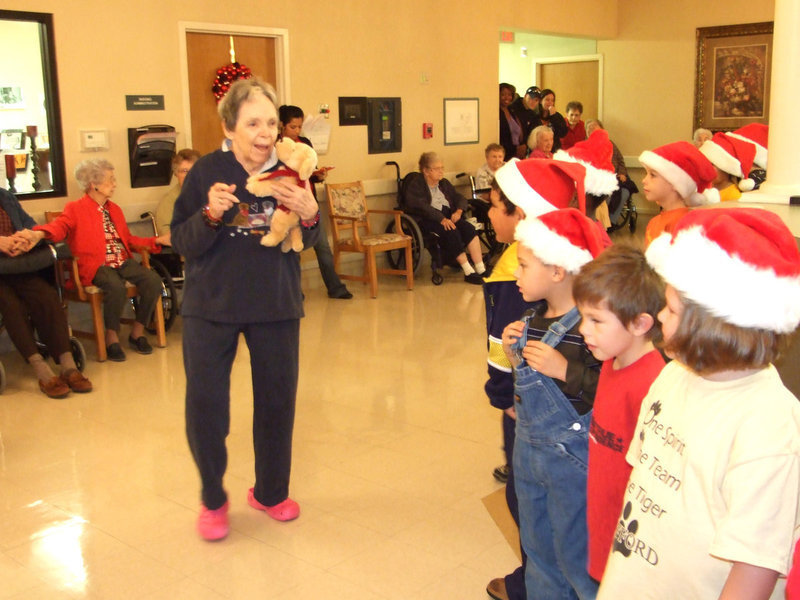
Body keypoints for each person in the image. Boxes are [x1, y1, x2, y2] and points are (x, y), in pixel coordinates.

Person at [598, 207, 800, 599]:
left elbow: (754, 570)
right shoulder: (674, 375)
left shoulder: (771, 429)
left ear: (712, 326)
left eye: (671, 309)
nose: (658, 314)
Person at [170, 78, 320, 541]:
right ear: (230, 126)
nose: (265, 132)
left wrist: (311, 212)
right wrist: (210, 214)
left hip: (275, 304)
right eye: (253, 122)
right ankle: (213, 499)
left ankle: (271, 492)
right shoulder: (205, 171)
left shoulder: (293, 167)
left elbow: (308, 239)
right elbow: (183, 242)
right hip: (209, 307)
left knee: (277, 403)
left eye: (271, 122)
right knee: (207, 407)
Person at [484, 158, 586, 600]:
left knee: (538, 511)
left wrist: (502, 392)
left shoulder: (517, 270)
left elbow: (499, 345)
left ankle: (534, 582)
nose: (489, 215)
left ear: (521, 214)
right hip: (531, 416)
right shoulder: (529, 264)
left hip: (530, 412)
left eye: (495, 207)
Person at [501, 207, 610, 600]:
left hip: (573, 467)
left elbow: (609, 389)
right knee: (538, 553)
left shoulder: (591, 326)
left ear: (558, 272)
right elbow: (528, 388)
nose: (516, 273)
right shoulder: (530, 319)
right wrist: (516, 355)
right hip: (528, 459)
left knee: (576, 558)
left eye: (524, 265)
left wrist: (566, 369)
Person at [572, 244, 666, 582]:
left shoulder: (653, 386)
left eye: (596, 320)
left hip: (631, 544)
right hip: (601, 522)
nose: (583, 329)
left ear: (640, 323)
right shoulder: (611, 362)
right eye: (583, 317)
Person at [22, 159, 169, 362]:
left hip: (121, 261)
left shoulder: (114, 209)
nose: (115, 184)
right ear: (94, 184)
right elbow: (60, 226)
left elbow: (128, 240)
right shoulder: (75, 208)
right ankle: (111, 337)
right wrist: (39, 234)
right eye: (110, 179)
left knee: (153, 281)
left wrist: (156, 240)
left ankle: (137, 331)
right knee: (115, 286)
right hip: (95, 265)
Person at [0, 189, 92, 397]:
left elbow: (30, 224)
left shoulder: (5, 196)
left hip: (17, 264)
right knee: (12, 306)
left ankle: (68, 365)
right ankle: (40, 368)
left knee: (47, 296)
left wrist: (27, 238)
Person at [278, 104, 351, 299]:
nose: (297, 131)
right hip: (289, 208)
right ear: (282, 125)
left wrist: (319, 175)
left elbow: (311, 171)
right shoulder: (277, 147)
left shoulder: (305, 143)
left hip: (310, 205)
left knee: (323, 246)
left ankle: (335, 287)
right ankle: (294, 291)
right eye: (293, 127)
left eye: (300, 127)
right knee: (293, 248)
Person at [403, 152, 486, 284]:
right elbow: (422, 207)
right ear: (426, 171)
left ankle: (481, 269)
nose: (441, 172)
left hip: (448, 215)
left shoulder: (444, 183)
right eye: (437, 169)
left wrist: (458, 211)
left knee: (469, 229)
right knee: (451, 231)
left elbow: (459, 198)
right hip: (427, 219)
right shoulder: (416, 185)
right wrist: (441, 218)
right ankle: (468, 271)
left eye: (442, 168)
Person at [638, 141, 718, 248]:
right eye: (646, 174)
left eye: (653, 175)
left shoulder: (682, 223)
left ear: (675, 184)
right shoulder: (655, 221)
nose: (644, 180)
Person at [699, 131, 757, 202]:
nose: (707, 168)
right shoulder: (705, 191)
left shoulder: (732, 196)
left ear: (726, 170)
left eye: (712, 164)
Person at [155, 148, 201, 236]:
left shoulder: (209, 194)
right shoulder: (169, 201)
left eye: (194, 170)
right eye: (184, 171)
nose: (190, 175)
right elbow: (166, 234)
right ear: (176, 174)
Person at [500, 83, 527, 161]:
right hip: (505, 155)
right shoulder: (497, 113)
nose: (507, 97)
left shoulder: (512, 111)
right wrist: (515, 149)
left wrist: (523, 146)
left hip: (517, 155)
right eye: (503, 94)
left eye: (509, 94)